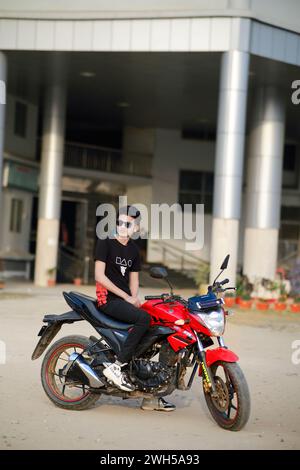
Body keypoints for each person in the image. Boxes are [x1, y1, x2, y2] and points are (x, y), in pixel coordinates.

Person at [94, 204, 175, 412]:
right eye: (119, 222)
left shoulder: (133, 250)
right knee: (143, 320)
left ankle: (148, 389)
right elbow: (99, 276)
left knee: (158, 323)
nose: (122, 226)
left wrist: (135, 297)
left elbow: (134, 279)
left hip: (123, 299)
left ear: (136, 228)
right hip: (108, 300)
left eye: (127, 224)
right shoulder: (105, 243)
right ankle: (117, 365)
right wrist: (126, 297)